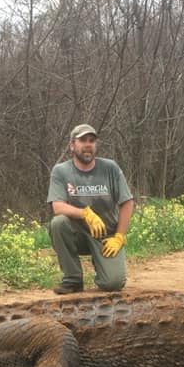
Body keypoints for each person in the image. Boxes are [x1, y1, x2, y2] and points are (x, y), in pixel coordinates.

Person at [46, 123, 134, 295]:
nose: (88, 144)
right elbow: (57, 206)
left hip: (105, 237)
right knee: (58, 223)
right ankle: (72, 279)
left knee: (113, 284)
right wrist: (85, 213)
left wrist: (119, 236)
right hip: (77, 234)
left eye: (92, 140)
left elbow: (127, 202)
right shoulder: (61, 171)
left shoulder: (110, 168)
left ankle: (103, 270)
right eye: (82, 140)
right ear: (72, 145)